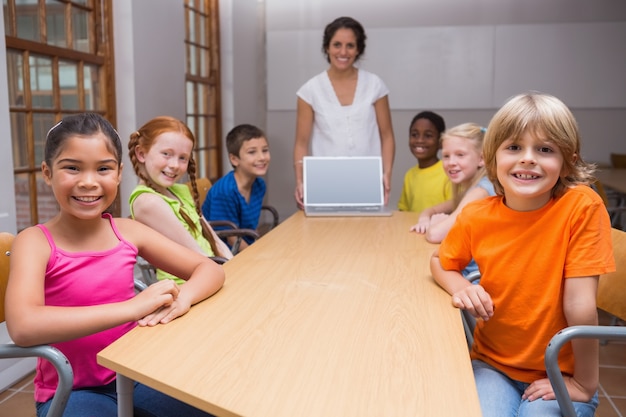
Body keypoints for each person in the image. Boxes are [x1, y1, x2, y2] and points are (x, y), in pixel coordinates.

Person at [4, 113, 225, 417]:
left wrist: (183, 299)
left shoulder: (128, 231)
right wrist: (133, 308)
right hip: (73, 391)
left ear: (119, 173)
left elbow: (211, 269)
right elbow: (24, 327)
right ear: (47, 172)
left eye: (103, 169)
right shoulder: (34, 241)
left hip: (137, 373)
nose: (89, 182)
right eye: (72, 168)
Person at [430, 92, 615, 417]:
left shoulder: (581, 207)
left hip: (560, 373)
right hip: (494, 365)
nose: (527, 158)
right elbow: (439, 262)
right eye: (514, 147)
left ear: (568, 159)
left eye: (545, 149)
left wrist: (585, 383)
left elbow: (580, 306)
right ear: (492, 157)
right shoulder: (476, 215)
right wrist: (464, 288)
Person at [293, 16, 395, 208]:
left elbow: (387, 136)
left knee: (367, 236)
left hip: (368, 181)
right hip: (324, 181)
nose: (343, 52)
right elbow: (301, 142)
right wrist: (300, 180)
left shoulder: (375, 85)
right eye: (337, 44)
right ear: (327, 47)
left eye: (350, 45)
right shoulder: (310, 91)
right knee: (326, 235)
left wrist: (386, 174)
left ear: (358, 49)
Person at [128, 116, 232, 284]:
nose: (175, 164)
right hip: (189, 285)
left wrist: (234, 264)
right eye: (166, 154)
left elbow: (214, 239)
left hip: (213, 272)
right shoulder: (148, 202)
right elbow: (197, 255)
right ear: (141, 153)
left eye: (183, 158)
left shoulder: (178, 191)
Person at [410, 122, 495, 278]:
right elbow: (432, 210)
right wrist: (425, 220)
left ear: (481, 159)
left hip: (475, 278)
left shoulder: (481, 191)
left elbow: (435, 235)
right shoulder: (472, 188)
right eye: (446, 156)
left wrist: (436, 224)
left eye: (460, 155)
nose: (451, 162)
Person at [202, 124, 270, 251]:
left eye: (265, 150)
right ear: (234, 159)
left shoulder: (259, 185)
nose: (262, 157)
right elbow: (231, 238)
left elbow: (249, 226)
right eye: (252, 152)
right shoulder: (225, 191)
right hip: (223, 254)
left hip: (243, 246)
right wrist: (257, 255)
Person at [398, 111, 451, 213]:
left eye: (428, 135)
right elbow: (403, 210)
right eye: (414, 135)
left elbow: (455, 209)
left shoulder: (449, 172)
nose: (420, 140)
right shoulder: (409, 175)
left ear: (440, 142)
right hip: (413, 228)